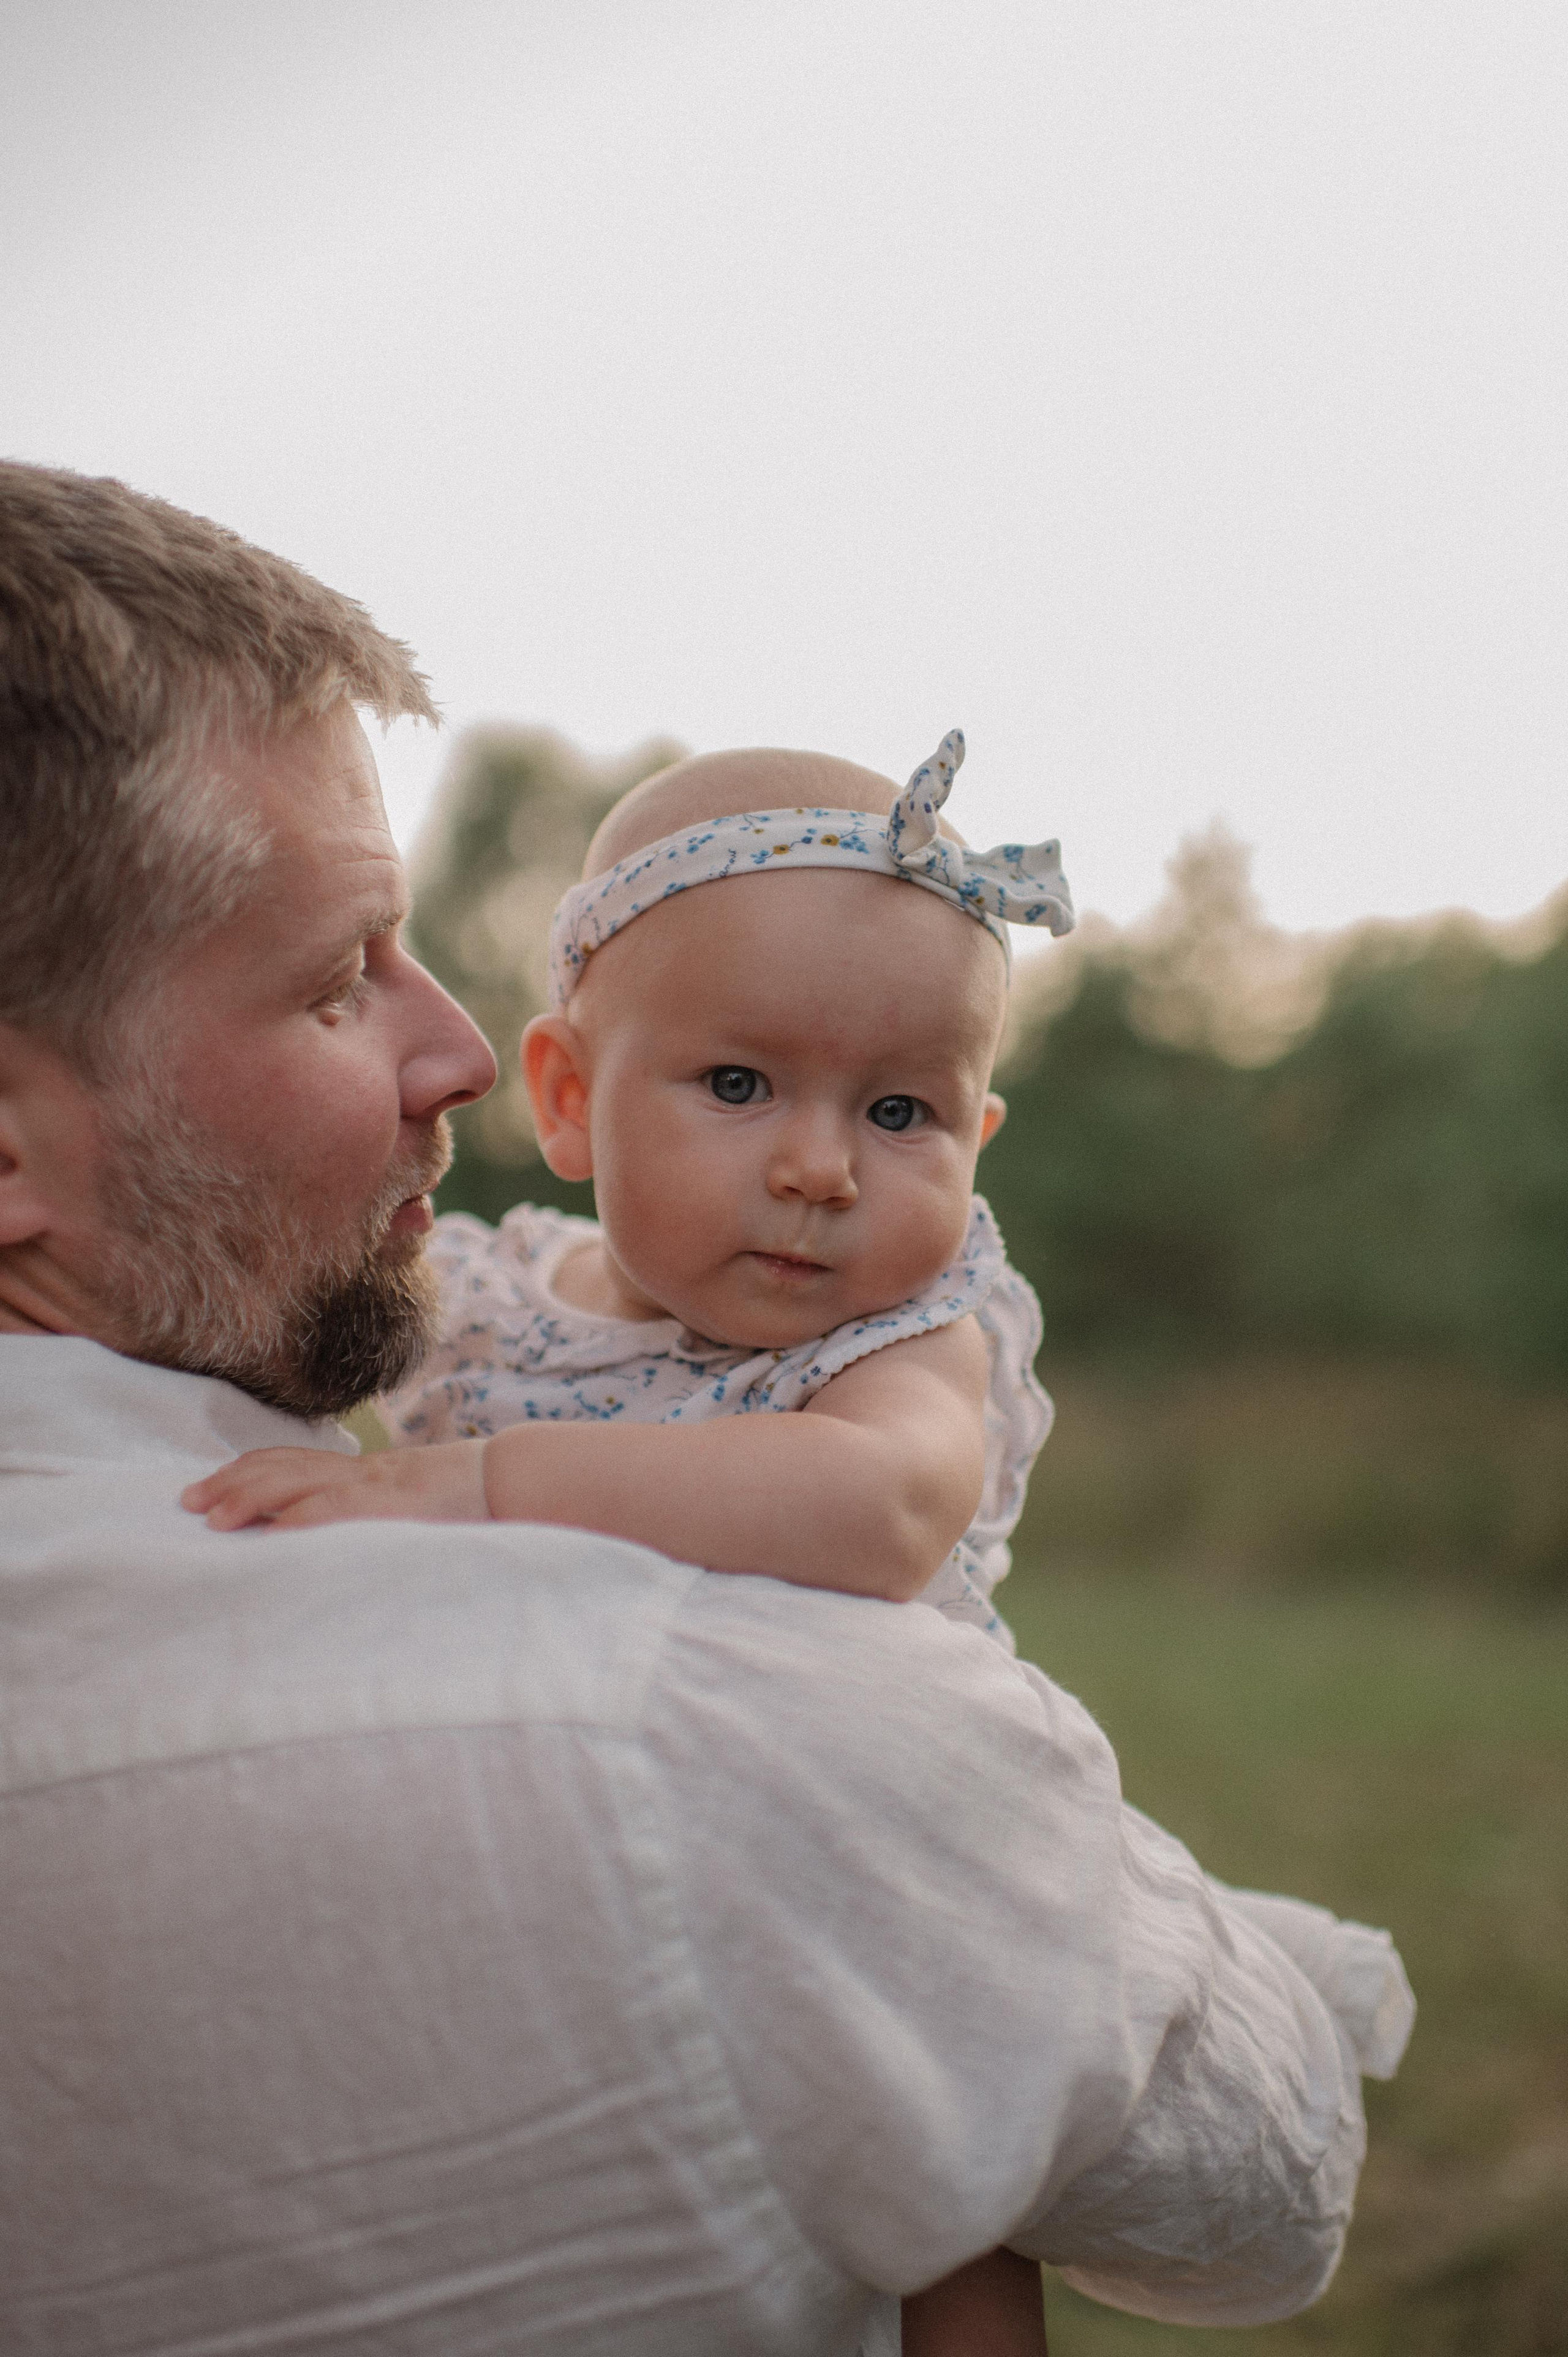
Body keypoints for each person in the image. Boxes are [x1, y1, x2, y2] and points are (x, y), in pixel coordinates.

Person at [2, 458, 1394, 2355]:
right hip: (951, 1901)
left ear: (975, 1137)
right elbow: (1262, 2197)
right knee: (960, 2168)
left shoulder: (902, 1338)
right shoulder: (694, 1729)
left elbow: (891, 1507)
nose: (456, 1052)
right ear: (583, 1102)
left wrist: (473, 1488)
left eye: (901, 1112)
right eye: (341, 979)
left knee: (967, 2256)